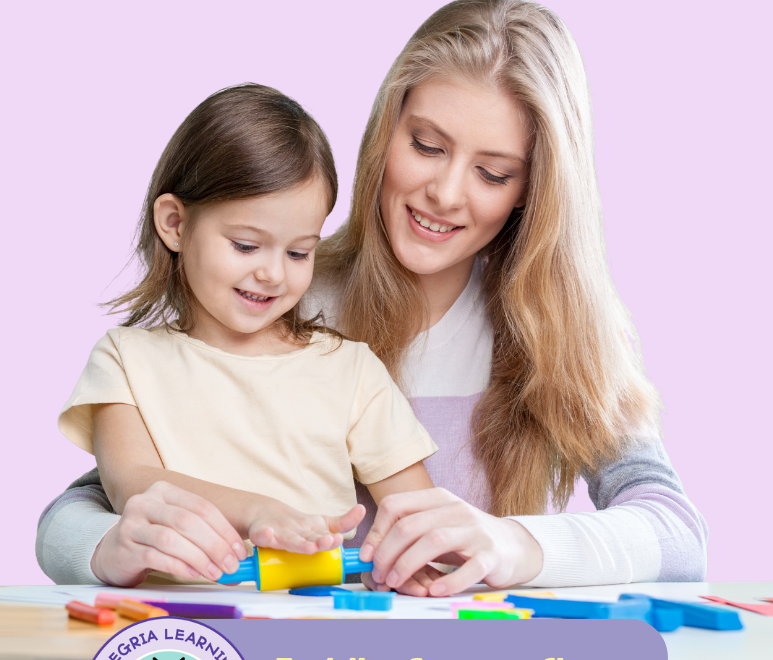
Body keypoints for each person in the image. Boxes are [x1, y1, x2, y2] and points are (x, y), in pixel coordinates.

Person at [38, 0, 707, 593]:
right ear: (387, 129)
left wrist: (514, 545)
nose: (445, 193)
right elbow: (98, 501)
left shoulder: (567, 332)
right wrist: (109, 547)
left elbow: (677, 533)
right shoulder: (278, 301)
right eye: (426, 145)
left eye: (492, 172)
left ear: (533, 189)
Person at [53, 84, 437, 587]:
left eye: (298, 252)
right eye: (246, 245)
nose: (274, 274)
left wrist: (414, 565)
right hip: (177, 625)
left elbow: (421, 519)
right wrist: (257, 511)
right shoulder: (125, 361)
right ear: (174, 224)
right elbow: (135, 486)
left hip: (315, 627)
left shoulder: (351, 370)